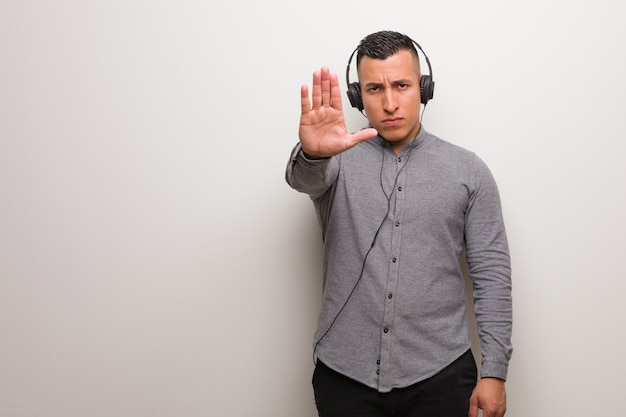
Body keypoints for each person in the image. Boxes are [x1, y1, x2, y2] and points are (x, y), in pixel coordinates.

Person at [285, 30, 512, 417]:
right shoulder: (333, 160)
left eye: (402, 85)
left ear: (423, 89)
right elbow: (303, 179)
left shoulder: (468, 170)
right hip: (344, 375)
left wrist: (494, 373)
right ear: (358, 96)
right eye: (374, 88)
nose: (389, 102)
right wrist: (312, 152)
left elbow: (492, 276)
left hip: (441, 374)